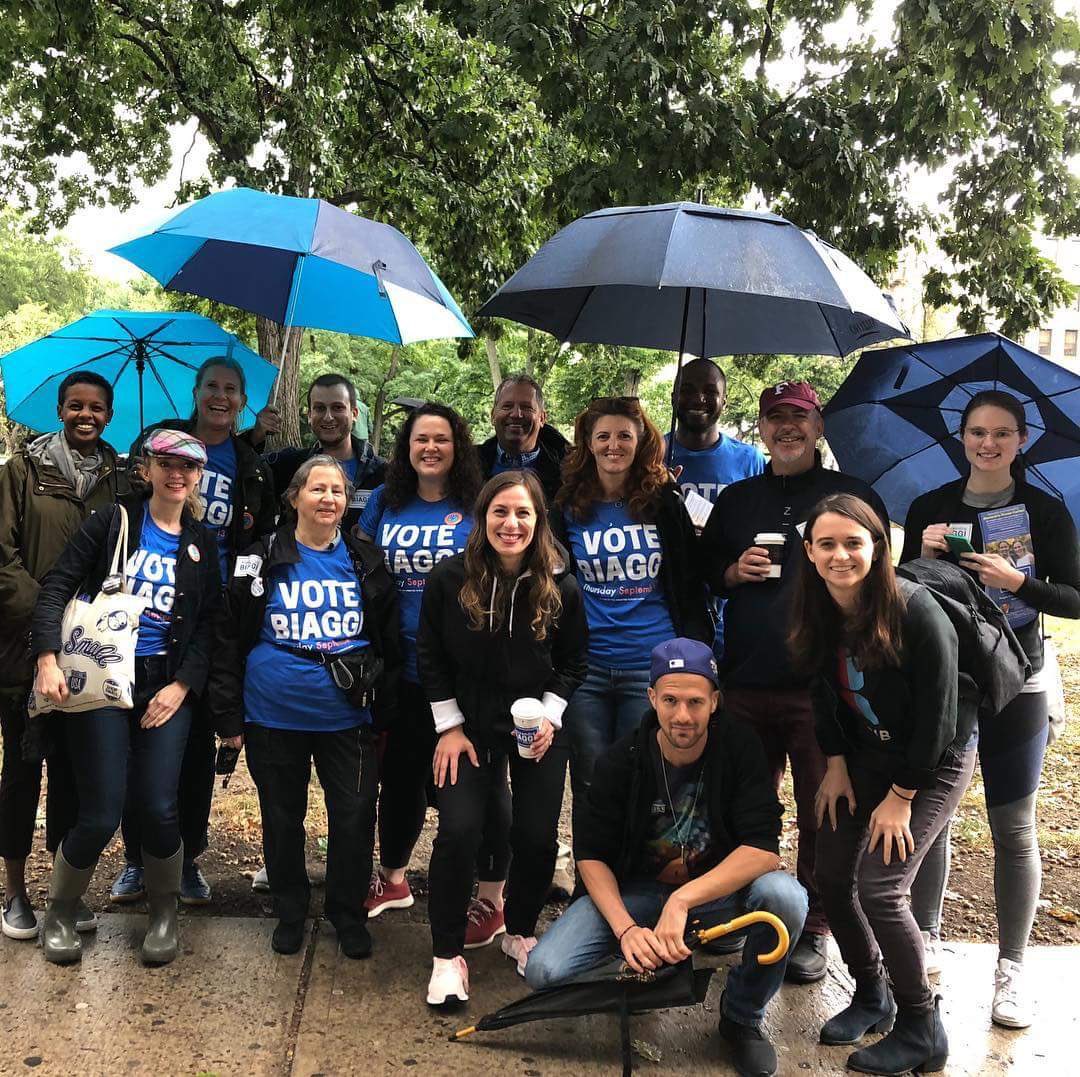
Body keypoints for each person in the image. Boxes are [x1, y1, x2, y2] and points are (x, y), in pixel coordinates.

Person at [527, 637, 807, 1077]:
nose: (683, 715)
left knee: (785, 898)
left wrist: (682, 902)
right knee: (543, 971)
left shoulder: (739, 748)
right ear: (651, 697)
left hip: (714, 895)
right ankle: (646, 965)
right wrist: (626, 931)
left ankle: (743, 1017)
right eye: (671, 700)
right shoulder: (622, 760)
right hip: (640, 894)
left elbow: (763, 851)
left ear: (715, 701)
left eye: (695, 702)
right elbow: (592, 856)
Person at [699, 380, 890, 985]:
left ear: (819, 425)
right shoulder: (738, 497)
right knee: (741, 805)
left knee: (823, 810)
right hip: (748, 680)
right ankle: (743, 911)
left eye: (799, 417)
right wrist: (732, 569)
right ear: (759, 426)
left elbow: (881, 582)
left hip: (824, 687)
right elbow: (705, 571)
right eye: (776, 416)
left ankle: (813, 926)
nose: (788, 427)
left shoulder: (852, 496)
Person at [902, 389, 1080, 1029]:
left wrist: (1019, 584)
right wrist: (919, 554)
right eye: (977, 432)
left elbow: (1075, 598)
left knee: (1013, 827)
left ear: (1022, 440)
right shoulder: (932, 506)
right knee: (933, 824)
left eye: (1001, 434)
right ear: (962, 437)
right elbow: (902, 593)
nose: (987, 444)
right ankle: (920, 947)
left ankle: (1012, 969)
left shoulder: (1046, 511)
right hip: (951, 682)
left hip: (1021, 680)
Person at [789, 493, 975, 1075]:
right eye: (827, 544)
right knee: (830, 873)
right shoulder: (816, 608)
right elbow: (820, 691)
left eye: (854, 542)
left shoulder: (915, 611)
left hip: (932, 761)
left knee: (883, 887)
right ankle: (872, 993)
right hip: (865, 754)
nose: (840, 555)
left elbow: (940, 719)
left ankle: (923, 1025)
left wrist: (901, 797)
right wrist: (836, 762)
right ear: (810, 551)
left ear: (878, 547)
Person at [30, 429, 221, 965]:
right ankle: (62, 912)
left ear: (198, 477)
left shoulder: (202, 543)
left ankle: (163, 915)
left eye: (188, 466)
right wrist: (47, 658)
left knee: (160, 806)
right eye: (166, 463)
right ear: (145, 469)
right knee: (100, 810)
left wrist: (183, 685)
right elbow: (57, 586)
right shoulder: (112, 521)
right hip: (102, 677)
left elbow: (209, 623)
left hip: (165, 684)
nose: (176, 474)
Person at [209, 456, 401, 957]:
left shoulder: (364, 557)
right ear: (295, 497)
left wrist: (387, 703)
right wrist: (228, 716)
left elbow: (387, 635)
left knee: (355, 815)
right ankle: (290, 910)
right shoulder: (263, 556)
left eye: (337, 491)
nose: (328, 500)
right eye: (318, 489)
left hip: (347, 713)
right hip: (273, 711)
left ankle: (346, 912)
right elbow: (229, 637)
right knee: (281, 814)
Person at [418, 470, 587, 1005]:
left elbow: (574, 660)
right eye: (500, 512)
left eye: (523, 514)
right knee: (461, 828)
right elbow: (431, 656)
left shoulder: (560, 583)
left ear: (538, 522)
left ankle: (518, 931)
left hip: (536, 728)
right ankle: (447, 956)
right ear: (482, 516)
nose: (511, 523)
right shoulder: (449, 578)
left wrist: (552, 717)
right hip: (465, 728)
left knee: (536, 836)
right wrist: (448, 727)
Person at [114, 356, 276, 906]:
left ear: (242, 398)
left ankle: (187, 858)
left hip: (221, 613)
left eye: (231, 389)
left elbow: (263, 534)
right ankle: (138, 859)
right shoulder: (165, 445)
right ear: (197, 390)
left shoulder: (253, 462)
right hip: (156, 614)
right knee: (145, 744)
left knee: (199, 744)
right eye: (212, 386)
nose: (220, 397)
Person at [357, 403, 504, 944]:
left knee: (479, 787)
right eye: (421, 439)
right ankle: (393, 878)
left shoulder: (478, 503)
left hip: (469, 671)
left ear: (457, 446)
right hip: (402, 665)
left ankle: (490, 899)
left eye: (441, 439)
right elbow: (359, 562)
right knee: (400, 780)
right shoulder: (384, 501)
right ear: (407, 447)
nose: (431, 448)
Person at [0, 371, 126, 941]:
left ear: (109, 414)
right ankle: (15, 893)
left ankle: (62, 897)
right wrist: (47, 619)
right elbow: (2, 557)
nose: (86, 415)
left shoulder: (119, 479)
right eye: (75, 405)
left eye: (96, 408)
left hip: (89, 658)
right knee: (22, 772)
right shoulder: (21, 473)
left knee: (74, 778)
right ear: (59, 409)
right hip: (22, 648)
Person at [551, 396, 712, 843]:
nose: (613, 445)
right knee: (590, 781)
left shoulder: (664, 503)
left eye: (625, 435)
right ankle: (593, 887)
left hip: (653, 665)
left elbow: (689, 579)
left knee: (649, 779)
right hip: (589, 669)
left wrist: (696, 651)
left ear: (641, 441)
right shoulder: (567, 507)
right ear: (588, 443)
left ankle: (639, 886)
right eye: (603, 436)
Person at [250, 373, 386, 530]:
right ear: (309, 415)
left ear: (354, 414)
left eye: (337, 408)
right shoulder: (290, 465)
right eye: (320, 408)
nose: (328, 417)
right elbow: (239, 469)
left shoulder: (381, 474)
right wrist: (255, 437)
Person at [667, 358, 766, 506]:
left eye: (710, 391)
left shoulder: (750, 460)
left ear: (724, 401)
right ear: (673, 398)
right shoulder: (648, 456)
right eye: (687, 390)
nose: (698, 399)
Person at [477, 374, 569, 502]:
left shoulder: (570, 473)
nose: (516, 414)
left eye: (526, 407)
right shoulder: (466, 468)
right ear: (493, 415)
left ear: (542, 418)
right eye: (507, 406)